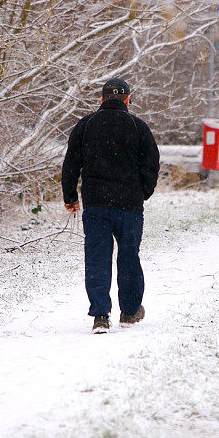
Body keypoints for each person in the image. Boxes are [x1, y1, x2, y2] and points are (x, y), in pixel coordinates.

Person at [61, 78, 160, 334]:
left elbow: (71, 163)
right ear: (128, 99)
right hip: (129, 205)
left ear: (102, 99)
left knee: (97, 257)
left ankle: (101, 316)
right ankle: (129, 311)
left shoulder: (86, 125)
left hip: (95, 204)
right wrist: (142, 193)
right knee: (129, 257)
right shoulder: (138, 127)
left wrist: (70, 196)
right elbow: (151, 165)